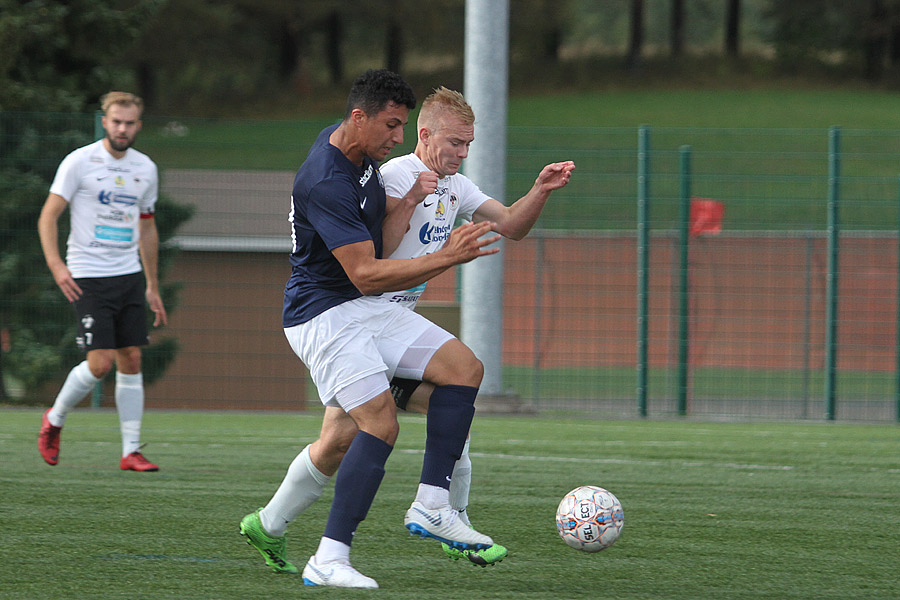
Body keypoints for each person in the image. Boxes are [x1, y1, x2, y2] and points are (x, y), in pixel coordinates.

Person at [239, 85, 574, 576]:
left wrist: (539, 190)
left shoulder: (405, 173)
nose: (462, 152)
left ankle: (280, 524)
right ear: (423, 134)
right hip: (342, 315)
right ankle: (349, 550)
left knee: (441, 389)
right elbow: (367, 268)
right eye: (455, 142)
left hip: (372, 315)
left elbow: (509, 225)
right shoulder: (383, 176)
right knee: (387, 424)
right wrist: (446, 254)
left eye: (468, 145)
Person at [37, 91, 166, 472]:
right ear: (105, 121)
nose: (122, 128)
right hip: (87, 275)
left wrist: (152, 284)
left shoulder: (146, 169)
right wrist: (57, 266)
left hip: (128, 275)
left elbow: (147, 228)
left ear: (138, 126)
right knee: (99, 364)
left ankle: (131, 451)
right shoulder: (79, 162)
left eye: (129, 123)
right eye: (116, 121)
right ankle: (54, 419)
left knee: (132, 357)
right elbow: (48, 217)